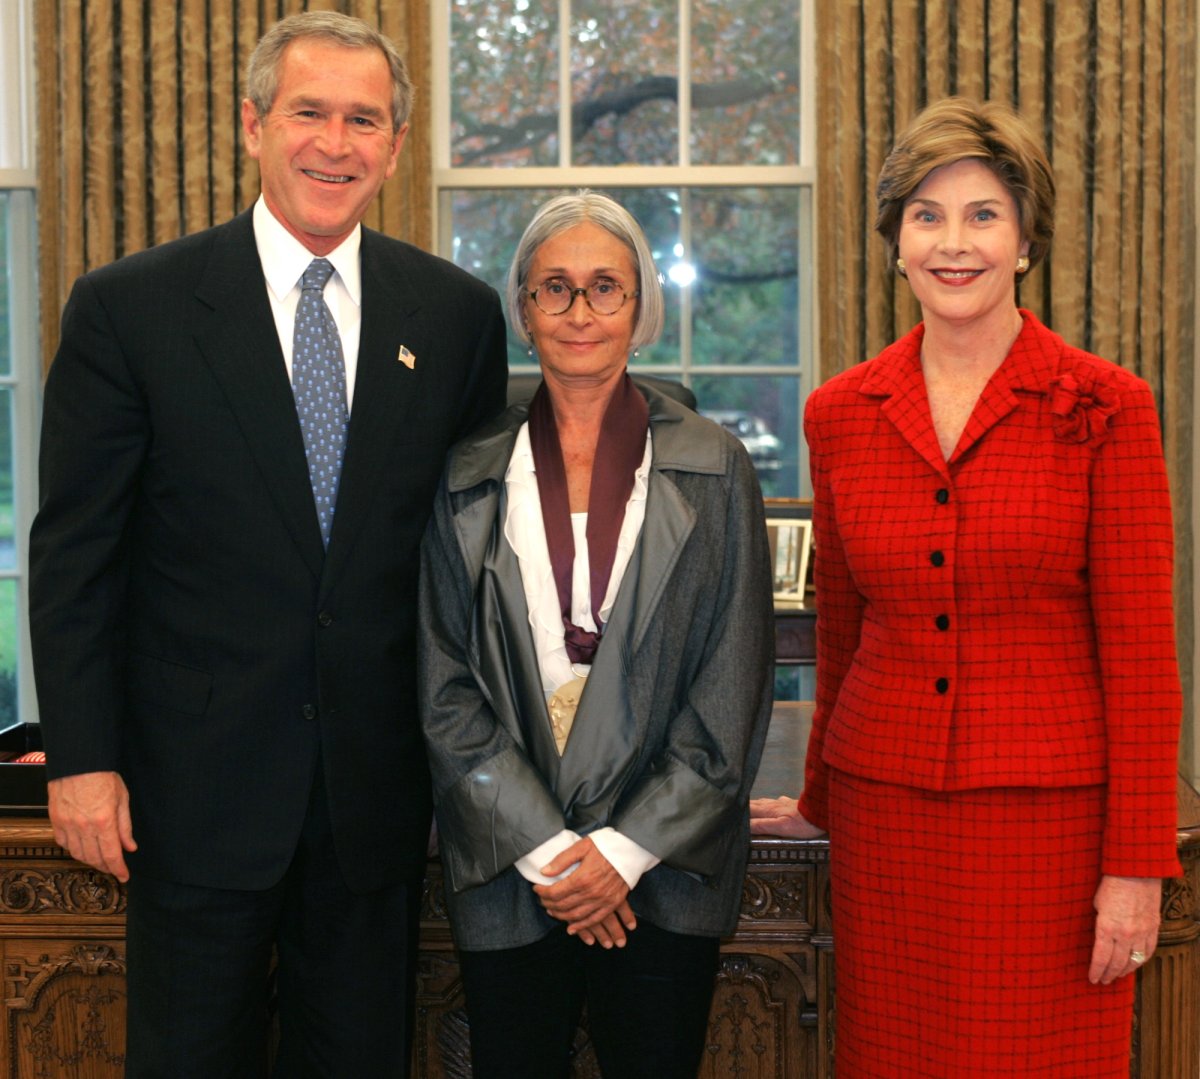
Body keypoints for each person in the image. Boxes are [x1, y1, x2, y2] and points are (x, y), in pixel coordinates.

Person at [29, 12, 507, 1077]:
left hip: (376, 803)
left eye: (364, 120)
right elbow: (76, 556)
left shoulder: (459, 315)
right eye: (310, 113)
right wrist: (84, 757)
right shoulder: (131, 309)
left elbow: (471, 567)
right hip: (188, 797)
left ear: (394, 145)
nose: (335, 144)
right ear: (253, 124)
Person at [751, 97, 1181, 1078]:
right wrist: (817, 792)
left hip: (1054, 835)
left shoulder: (1109, 405)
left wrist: (1137, 864)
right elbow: (845, 627)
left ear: (1026, 240)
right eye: (928, 216)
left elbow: (1143, 652)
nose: (955, 243)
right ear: (896, 241)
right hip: (886, 822)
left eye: (984, 215)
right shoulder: (840, 413)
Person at [418, 191, 774, 1079]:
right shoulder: (465, 470)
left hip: (664, 867)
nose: (581, 312)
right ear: (523, 311)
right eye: (556, 289)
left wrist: (617, 855)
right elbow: (443, 683)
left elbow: (732, 684)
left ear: (641, 308)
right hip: (512, 865)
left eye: (605, 287)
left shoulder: (715, 464)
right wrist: (552, 853)